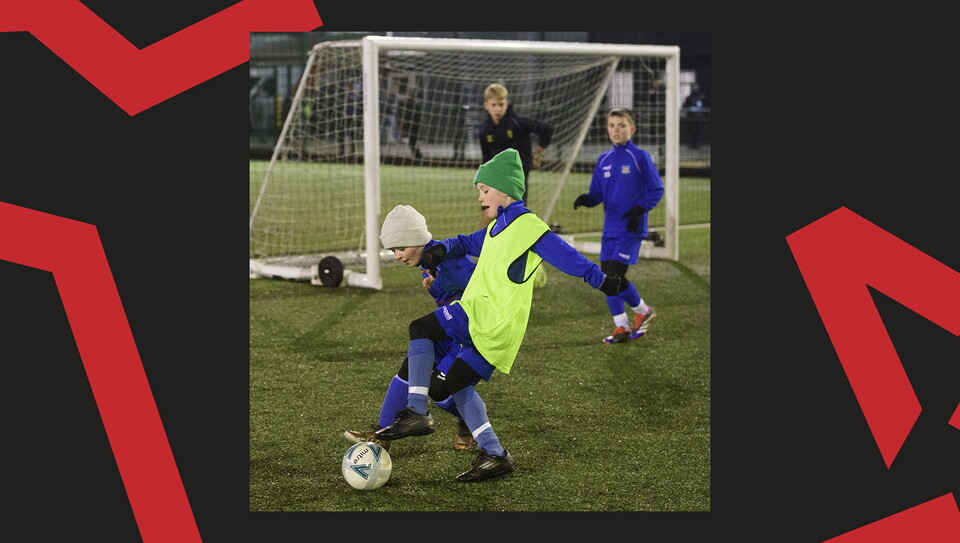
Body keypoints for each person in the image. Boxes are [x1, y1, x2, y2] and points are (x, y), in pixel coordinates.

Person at [374, 149, 632, 482]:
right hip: (487, 320)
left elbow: (565, 255)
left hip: (490, 317)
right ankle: (496, 455)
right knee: (455, 382)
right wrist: (443, 248)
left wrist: (602, 280)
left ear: (505, 192)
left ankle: (417, 412)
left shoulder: (527, 227)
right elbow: (468, 242)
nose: (479, 196)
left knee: (420, 328)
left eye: (484, 190)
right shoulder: (501, 226)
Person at [344, 204, 479, 451]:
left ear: (417, 240)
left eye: (401, 248)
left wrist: (444, 285)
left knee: (439, 388)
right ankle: (381, 433)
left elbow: (481, 289)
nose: (397, 255)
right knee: (411, 365)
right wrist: (434, 285)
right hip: (450, 332)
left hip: (471, 334)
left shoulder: (449, 263)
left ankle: (468, 422)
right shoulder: (427, 262)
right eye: (393, 249)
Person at [573, 108, 664, 344]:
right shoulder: (603, 159)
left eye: (621, 125)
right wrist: (587, 199)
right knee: (606, 280)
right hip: (610, 229)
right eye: (612, 125)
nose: (616, 129)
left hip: (631, 230)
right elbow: (597, 193)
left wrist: (639, 209)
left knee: (614, 275)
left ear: (631, 129)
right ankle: (621, 327)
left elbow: (657, 189)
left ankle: (643, 310)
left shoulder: (640, 157)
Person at [478, 83, 553, 210]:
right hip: (496, 178)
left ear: (506, 104)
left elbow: (547, 130)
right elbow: (486, 157)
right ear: (486, 105)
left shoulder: (518, 123)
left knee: (515, 213)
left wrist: (538, 152)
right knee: (488, 215)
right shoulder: (484, 131)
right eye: (494, 105)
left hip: (516, 179)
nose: (498, 109)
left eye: (501, 105)